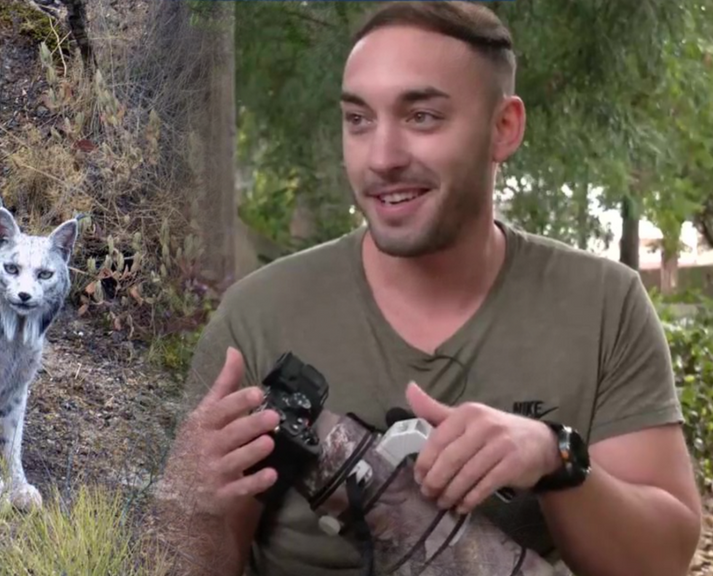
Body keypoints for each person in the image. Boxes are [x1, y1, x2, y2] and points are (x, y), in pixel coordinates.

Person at [154, 2, 704, 576]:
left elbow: (658, 561)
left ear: (504, 128)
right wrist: (191, 501)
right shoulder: (258, 316)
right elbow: (187, 563)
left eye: (421, 117)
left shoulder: (603, 305)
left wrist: (553, 456)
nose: (382, 158)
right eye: (359, 120)